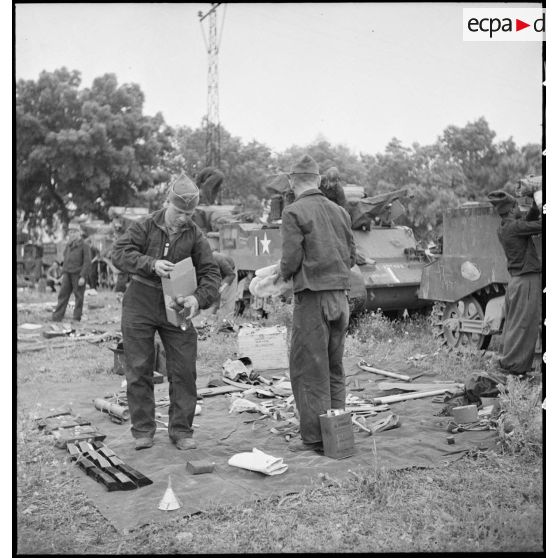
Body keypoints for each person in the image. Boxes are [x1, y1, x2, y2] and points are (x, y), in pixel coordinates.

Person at [111, 174, 220, 451]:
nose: (184, 217)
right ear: (167, 203)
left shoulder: (195, 235)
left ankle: (181, 430)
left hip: (177, 302)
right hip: (140, 300)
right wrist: (150, 263)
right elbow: (119, 253)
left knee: (184, 368)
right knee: (138, 367)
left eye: (189, 212)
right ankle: (143, 430)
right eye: (179, 211)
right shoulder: (144, 226)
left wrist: (198, 299)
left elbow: (210, 273)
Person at [276, 154, 356, 453]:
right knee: (334, 367)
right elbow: (351, 256)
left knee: (309, 370)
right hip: (340, 299)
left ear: (291, 181)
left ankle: (314, 438)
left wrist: (281, 274)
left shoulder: (294, 212)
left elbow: (291, 260)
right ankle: (337, 433)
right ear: (319, 180)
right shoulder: (340, 212)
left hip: (312, 299)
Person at [487, 190, 542, 376]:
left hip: (518, 281)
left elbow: (527, 221)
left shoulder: (505, 226)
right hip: (526, 281)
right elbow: (540, 225)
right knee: (524, 325)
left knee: (515, 325)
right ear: (511, 210)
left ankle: (511, 365)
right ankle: (513, 369)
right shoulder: (515, 227)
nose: (520, 208)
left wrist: (536, 206)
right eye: (517, 206)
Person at [52, 224, 91, 322]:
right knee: (62, 295)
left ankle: (76, 318)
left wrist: (83, 276)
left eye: (74, 232)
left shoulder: (85, 245)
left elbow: (87, 262)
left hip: (78, 275)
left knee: (78, 297)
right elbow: (65, 259)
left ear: (79, 233)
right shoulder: (69, 245)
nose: (72, 234)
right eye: (70, 232)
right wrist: (60, 269)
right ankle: (57, 317)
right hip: (67, 274)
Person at [211, 249, 238, 321]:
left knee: (226, 298)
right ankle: (214, 317)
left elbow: (231, 275)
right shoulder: (204, 262)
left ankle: (227, 322)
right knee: (215, 294)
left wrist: (222, 287)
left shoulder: (218, 258)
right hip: (219, 274)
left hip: (230, 273)